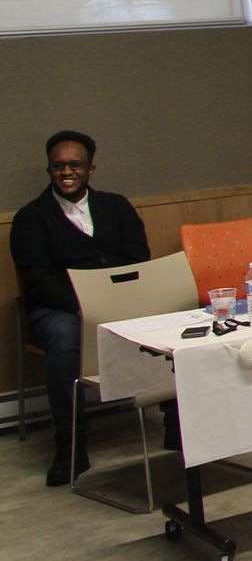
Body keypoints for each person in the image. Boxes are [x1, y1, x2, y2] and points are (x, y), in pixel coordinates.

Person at [10, 131, 150, 486]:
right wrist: (83, 307)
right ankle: (70, 446)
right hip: (60, 309)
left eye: (75, 164)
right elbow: (38, 279)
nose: (66, 172)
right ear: (49, 170)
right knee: (63, 336)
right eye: (58, 166)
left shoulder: (116, 206)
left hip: (120, 303)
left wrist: (115, 303)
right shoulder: (32, 218)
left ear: (91, 169)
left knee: (171, 320)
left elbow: (138, 260)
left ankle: (177, 424)